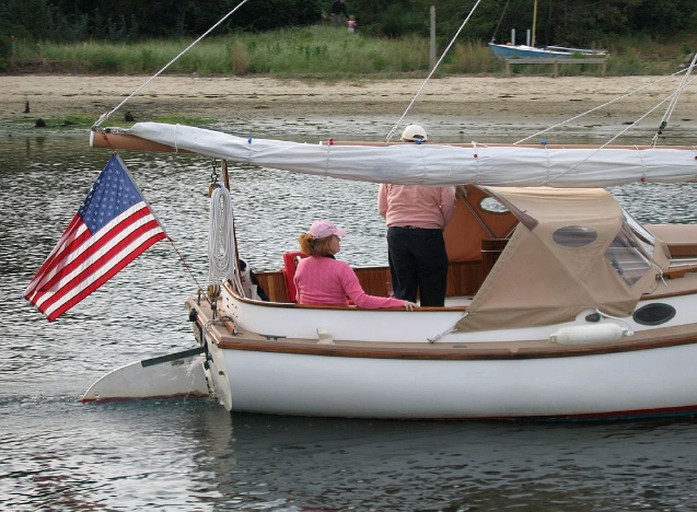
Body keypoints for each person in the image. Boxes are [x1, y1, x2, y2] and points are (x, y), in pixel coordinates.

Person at [377, 125, 456, 307]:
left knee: (403, 286)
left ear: (402, 143)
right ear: (426, 144)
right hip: (429, 232)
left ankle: (405, 328)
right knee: (433, 284)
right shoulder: (439, 169)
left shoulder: (391, 171)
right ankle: (431, 324)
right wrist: (441, 224)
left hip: (397, 231)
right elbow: (449, 202)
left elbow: (382, 208)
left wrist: (396, 220)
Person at [294, 219, 417, 310]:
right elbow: (361, 300)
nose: (339, 240)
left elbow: (299, 298)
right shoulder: (341, 268)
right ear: (328, 242)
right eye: (336, 237)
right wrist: (399, 303)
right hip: (338, 320)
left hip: (308, 320)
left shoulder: (302, 265)